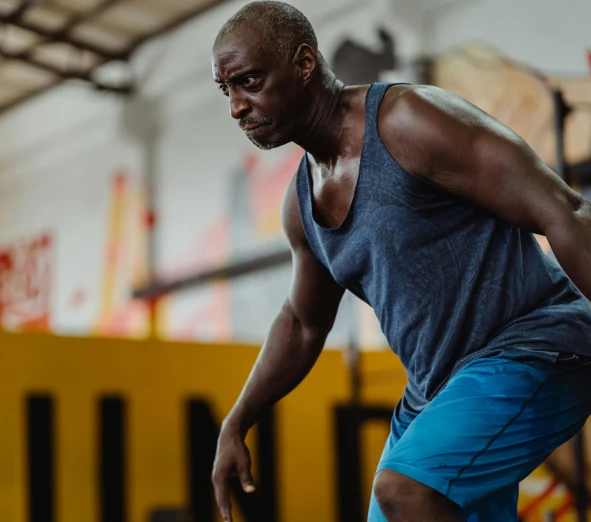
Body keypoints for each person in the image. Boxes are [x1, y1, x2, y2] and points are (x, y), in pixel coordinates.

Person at [209, 2, 591, 521]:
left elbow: (564, 210)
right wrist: (236, 421)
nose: (236, 107)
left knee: (406, 489)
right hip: (436, 392)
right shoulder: (302, 206)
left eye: (249, 82)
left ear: (303, 64)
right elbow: (301, 323)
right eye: (226, 89)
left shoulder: (407, 122)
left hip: (535, 347)